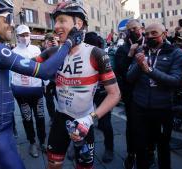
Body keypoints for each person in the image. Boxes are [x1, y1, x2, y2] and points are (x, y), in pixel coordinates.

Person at [0, 0, 83, 168]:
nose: (12, 24)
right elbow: (45, 71)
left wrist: (50, 53)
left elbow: (28, 66)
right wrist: (69, 42)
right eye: (8, 18)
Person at [34, 1, 120, 169]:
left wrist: (91, 119)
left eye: (61, 20)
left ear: (78, 24)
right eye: (55, 21)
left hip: (84, 120)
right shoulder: (53, 52)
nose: (56, 26)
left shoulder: (96, 54)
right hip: (60, 118)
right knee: (53, 165)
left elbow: (115, 94)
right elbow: (25, 66)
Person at [127, 23, 182, 169]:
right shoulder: (141, 51)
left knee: (163, 145)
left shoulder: (176, 53)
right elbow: (129, 77)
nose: (149, 36)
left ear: (164, 34)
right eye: (147, 34)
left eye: (154, 33)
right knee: (141, 145)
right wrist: (138, 65)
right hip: (140, 106)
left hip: (163, 108)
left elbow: (175, 80)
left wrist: (149, 69)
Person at [11, 24, 46, 158]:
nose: (25, 38)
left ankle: (42, 141)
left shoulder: (36, 49)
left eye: (27, 35)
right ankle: (32, 142)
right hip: (21, 91)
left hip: (36, 89)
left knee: (41, 116)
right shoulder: (13, 52)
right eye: (22, 35)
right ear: (17, 37)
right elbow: (11, 72)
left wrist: (46, 82)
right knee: (27, 118)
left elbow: (42, 67)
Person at [114, 19, 145, 169]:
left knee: (148, 127)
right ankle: (131, 154)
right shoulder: (123, 48)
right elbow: (120, 70)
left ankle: (148, 153)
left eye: (136, 28)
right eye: (131, 29)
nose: (134, 31)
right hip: (131, 94)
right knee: (132, 126)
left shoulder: (148, 43)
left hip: (148, 92)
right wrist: (130, 53)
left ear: (141, 28)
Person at [84, 32, 115, 163]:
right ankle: (82, 148)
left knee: (104, 122)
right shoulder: (83, 55)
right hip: (87, 94)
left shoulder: (103, 55)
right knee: (84, 122)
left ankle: (109, 149)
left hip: (102, 94)